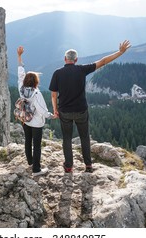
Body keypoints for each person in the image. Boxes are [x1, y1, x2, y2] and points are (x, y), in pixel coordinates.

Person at [49, 40, 131, 173]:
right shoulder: (82, 69)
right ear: (76, 59)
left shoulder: (57, 73)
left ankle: (68, 166)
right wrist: (120, 52)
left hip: (65, 111)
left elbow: (53, 95)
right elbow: (103, 61)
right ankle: (88, 165)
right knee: (85, 137)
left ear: (65, 59)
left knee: (67, 139)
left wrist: (55, 110)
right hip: (81, 110)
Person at [17, 46, 56, 177]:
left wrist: (19, 56)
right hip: (36, 123)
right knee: (37, 145)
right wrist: (52, 116)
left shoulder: (21, 88)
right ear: (36, 82)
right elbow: (42, 110)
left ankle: (30, 162)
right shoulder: (36, 94)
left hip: (25, 120)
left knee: (28, 141)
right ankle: (36, 169)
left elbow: (20, 73)